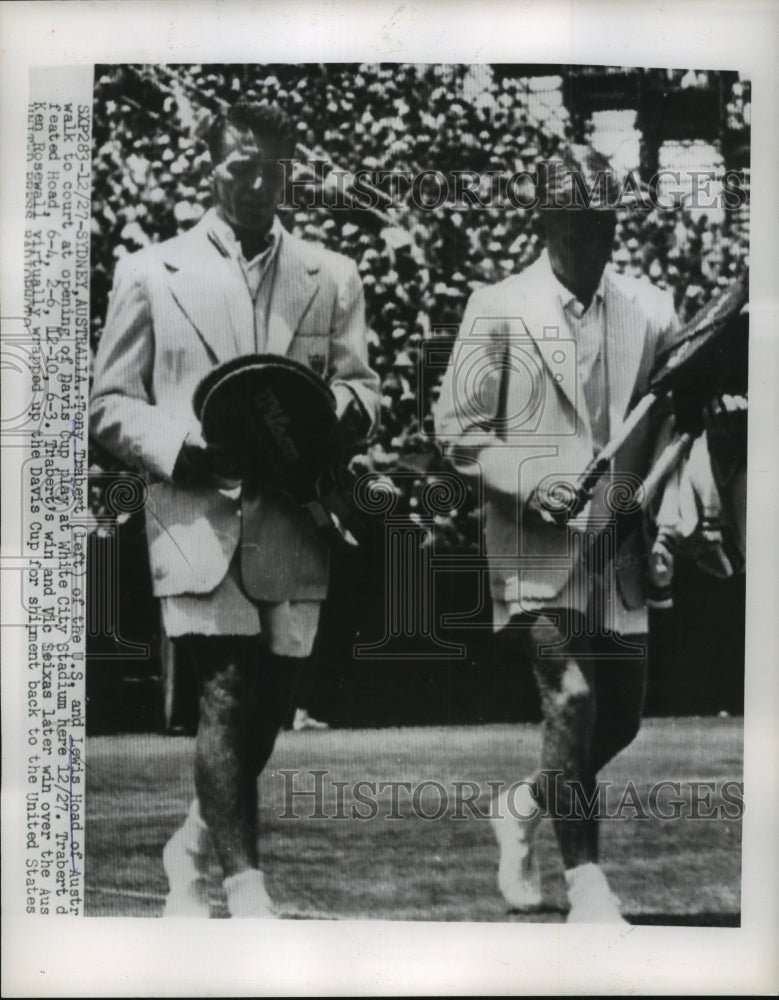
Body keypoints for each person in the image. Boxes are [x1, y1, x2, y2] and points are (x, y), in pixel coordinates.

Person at [90, 99, 379, 917]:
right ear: (207, 167)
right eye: (238, 167)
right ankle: (246, 889)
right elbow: (108, 402)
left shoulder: (333, 274)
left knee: (272, 700)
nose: (255, 183)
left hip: (296, 512)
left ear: (291, 172)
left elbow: (362, 385)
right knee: (222, 690)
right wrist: (186, 448)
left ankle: (188, 842)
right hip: (195, 515)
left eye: (271, 169)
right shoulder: (150, 270)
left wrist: (338, 422)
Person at [433, 147, 681, 923]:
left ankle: (521, 804)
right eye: (574, 223)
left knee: (623, 719)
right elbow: (457, 431)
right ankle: (587, 885)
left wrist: (663, 520)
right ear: (544, 221)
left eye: (602, 222)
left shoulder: (653, 308)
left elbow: (669, 429)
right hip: (531, 547)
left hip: (620, 546)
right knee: (571, 700)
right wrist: (530, 479)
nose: (590, 237)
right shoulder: (494, 304)